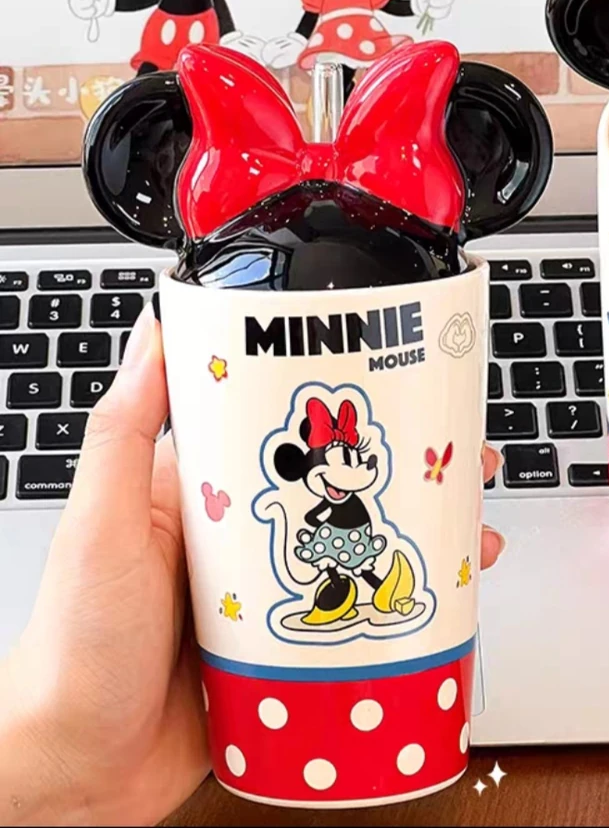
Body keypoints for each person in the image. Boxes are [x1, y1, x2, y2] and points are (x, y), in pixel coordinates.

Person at [0, 307, 504, 825]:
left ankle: (383, 595)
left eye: (357, 461)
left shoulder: (350, 495)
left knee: (385, 550)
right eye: (343, 462)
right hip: (296, 601)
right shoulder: (315, 499)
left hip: (360, 548)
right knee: (341, 569)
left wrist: (63, 773)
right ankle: (349, 598)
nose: (357, 469)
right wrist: (59, 759)